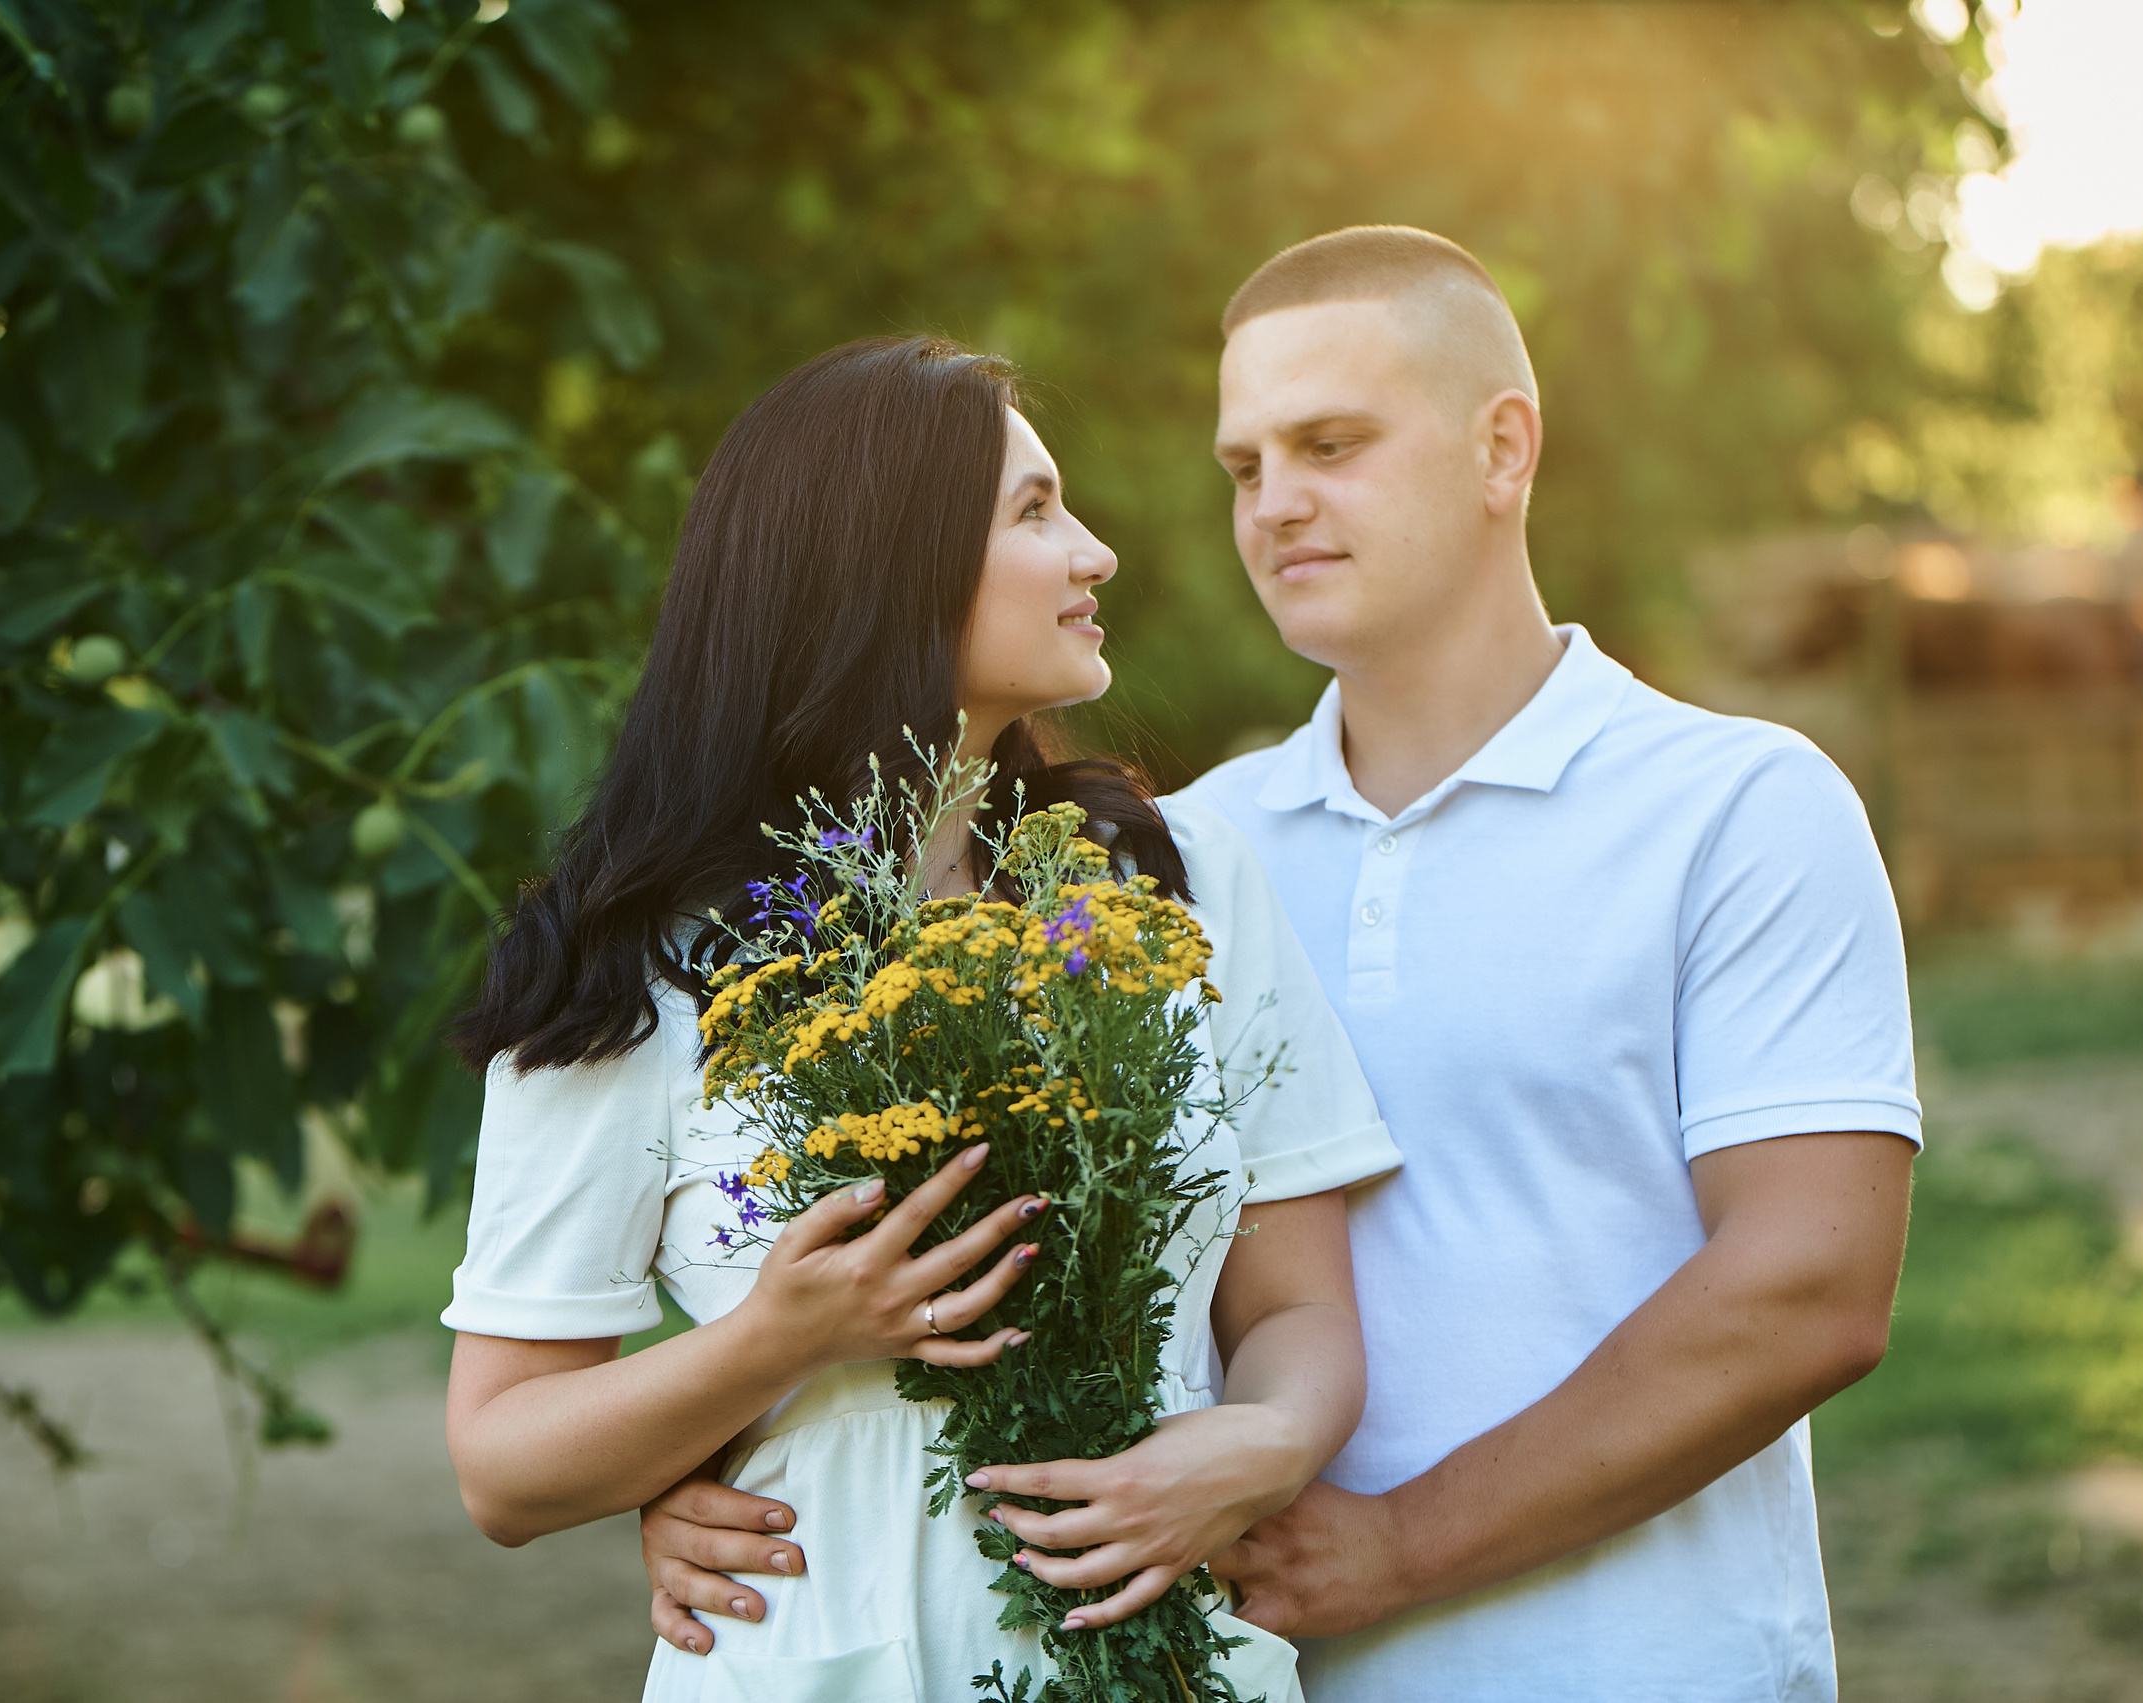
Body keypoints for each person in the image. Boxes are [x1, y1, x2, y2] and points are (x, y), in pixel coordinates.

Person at [642, 230, 1920, 1702]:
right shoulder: (1165, 866)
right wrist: (725, 1487)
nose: (1276, 504)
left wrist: (1396, 1548)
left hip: (1639, 1663)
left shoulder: (1737, 805)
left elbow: (1807, 1290)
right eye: (1244, 466)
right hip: (1238, 1667)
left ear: (1504, 448)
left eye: (1332, 445)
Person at [441, 335, 1403, 1701]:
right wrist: (778, 1343)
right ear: (884, 570)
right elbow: (502, 1463)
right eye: (1033, 512)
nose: (1095, 552)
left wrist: (1266, 1443)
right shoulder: (639, 960)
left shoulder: (1172, 882)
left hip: (1164, 1662)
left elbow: (1298, 1304)